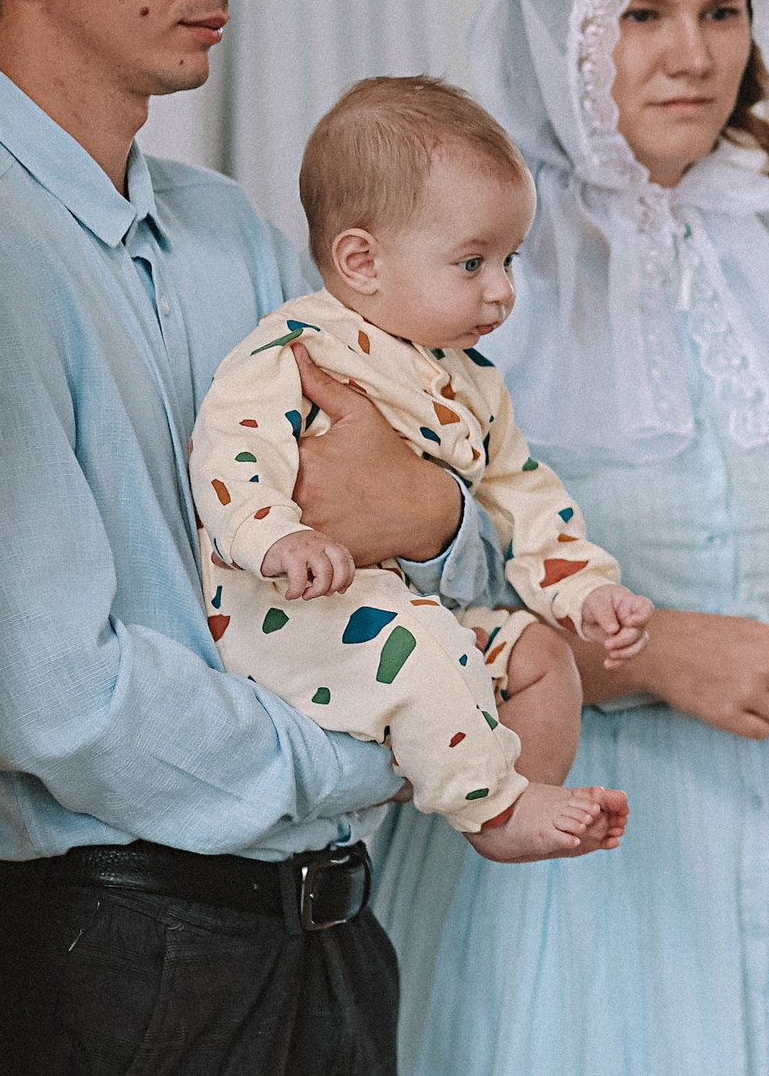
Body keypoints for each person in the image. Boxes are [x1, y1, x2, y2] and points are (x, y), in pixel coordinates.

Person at [0, 0, 493, 1076]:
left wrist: (437, 510)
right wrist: (379, 749)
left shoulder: (232, 233)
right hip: (121, 964)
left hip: (328, 939)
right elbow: (49, 692)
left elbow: (447, 517)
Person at [368, 0, 769, 1075]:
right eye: (643, 13)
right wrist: (654, 651)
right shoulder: (469, 276)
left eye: (721, 10)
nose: (693, 52)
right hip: (566, 863)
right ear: (558, 32)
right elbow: (397, 617)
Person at [191, 74, 652, 858]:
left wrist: (584, 589)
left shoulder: (474, 381)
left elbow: (523, 493)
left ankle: (515, 801)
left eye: (509, 259)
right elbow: (233, 445)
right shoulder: (301, 346)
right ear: (362, 261)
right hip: (295, 612)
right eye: (472, 263)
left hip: (401, 608)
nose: (503, 291)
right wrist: (274, 536)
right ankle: (495, 810)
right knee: (426, 647)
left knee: (539, 656)